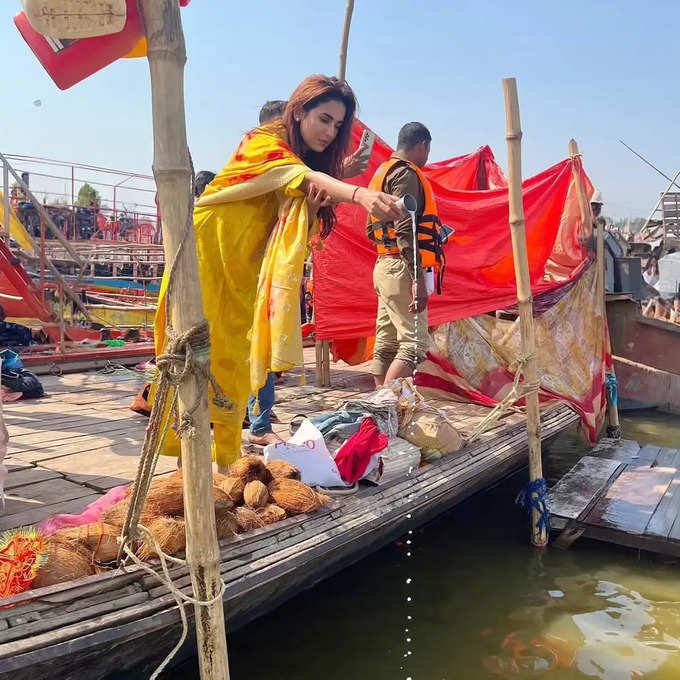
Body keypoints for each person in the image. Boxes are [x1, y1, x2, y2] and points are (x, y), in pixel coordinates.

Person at [152, 75, 403, 471]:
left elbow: (295, 215)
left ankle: (222, 465)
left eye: (337, 125)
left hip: (244, 269)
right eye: (324, 119)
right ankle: (189, 471)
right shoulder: (262, 143)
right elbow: (299, 177)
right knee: (195, 352)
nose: (330, 131)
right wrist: (361, 194)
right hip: (206, 255)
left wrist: (319, 206)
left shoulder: (299, 162)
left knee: (232, 357)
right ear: (299, 111)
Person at [366, 122, 444, 387]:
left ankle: (379, 407)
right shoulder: (406, 174)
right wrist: (417, 279)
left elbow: (371, 229)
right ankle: (385, 407)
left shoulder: (381, 173)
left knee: (386, 344)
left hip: (384, 265)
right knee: (414, 345)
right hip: (402, 268)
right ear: (422, 145)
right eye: (428, 150)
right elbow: (404, 226)